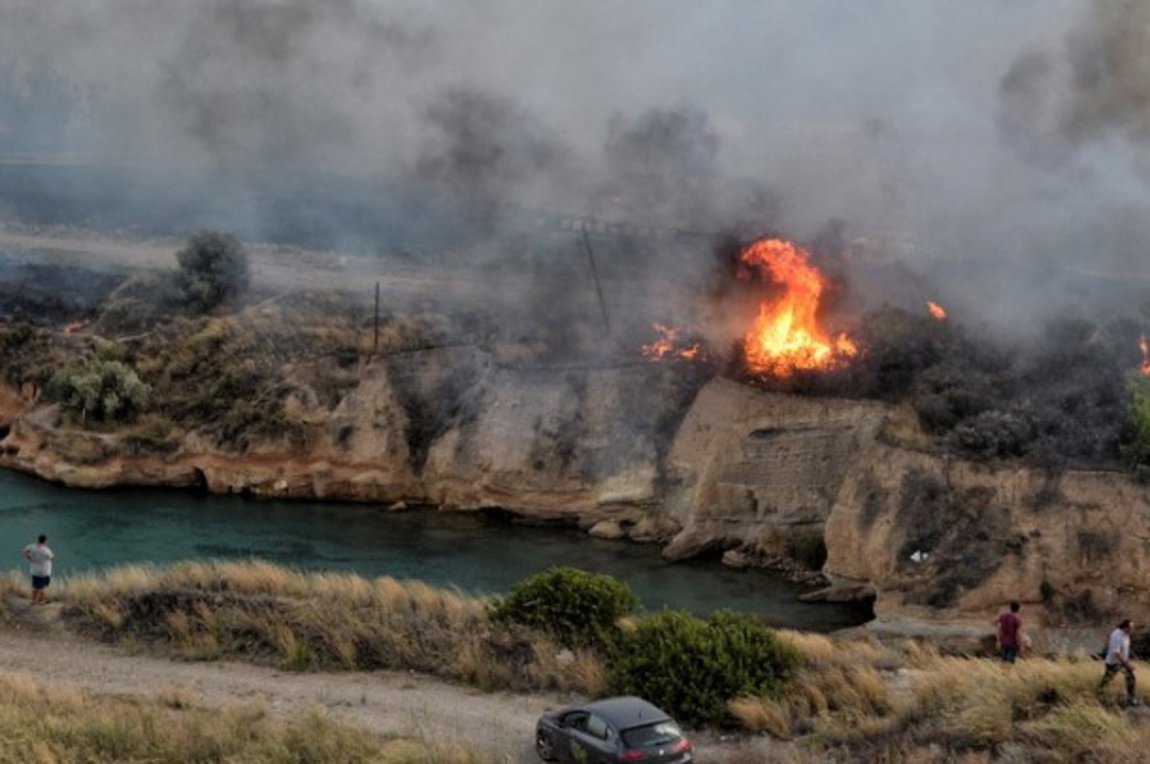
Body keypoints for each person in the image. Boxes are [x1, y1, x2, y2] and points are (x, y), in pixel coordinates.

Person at [1100, 618, 1139, 706]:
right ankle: (1099, 693)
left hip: (1122, 663)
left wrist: (1128, 662)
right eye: (1131, 628)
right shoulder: (1116, 635)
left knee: (1130, 678)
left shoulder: (1126, 635)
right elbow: (1116, 652)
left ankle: (1131, 699)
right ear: (1126, 627)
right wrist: (1127, 664)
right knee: (1107, 679)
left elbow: (1125, 651)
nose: (1133, 630)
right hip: (1113, 663)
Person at [21, 534, 54, 605]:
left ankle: (33, 600)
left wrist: (29, 557)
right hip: (44, 571)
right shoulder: (46, 550)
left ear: (38, 540)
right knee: (42, 587)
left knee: (35, 586)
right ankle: (41, 601)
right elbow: (52, 558)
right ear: (45, 541)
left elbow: (24, 551)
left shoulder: (32, 547)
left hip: (34, 570)